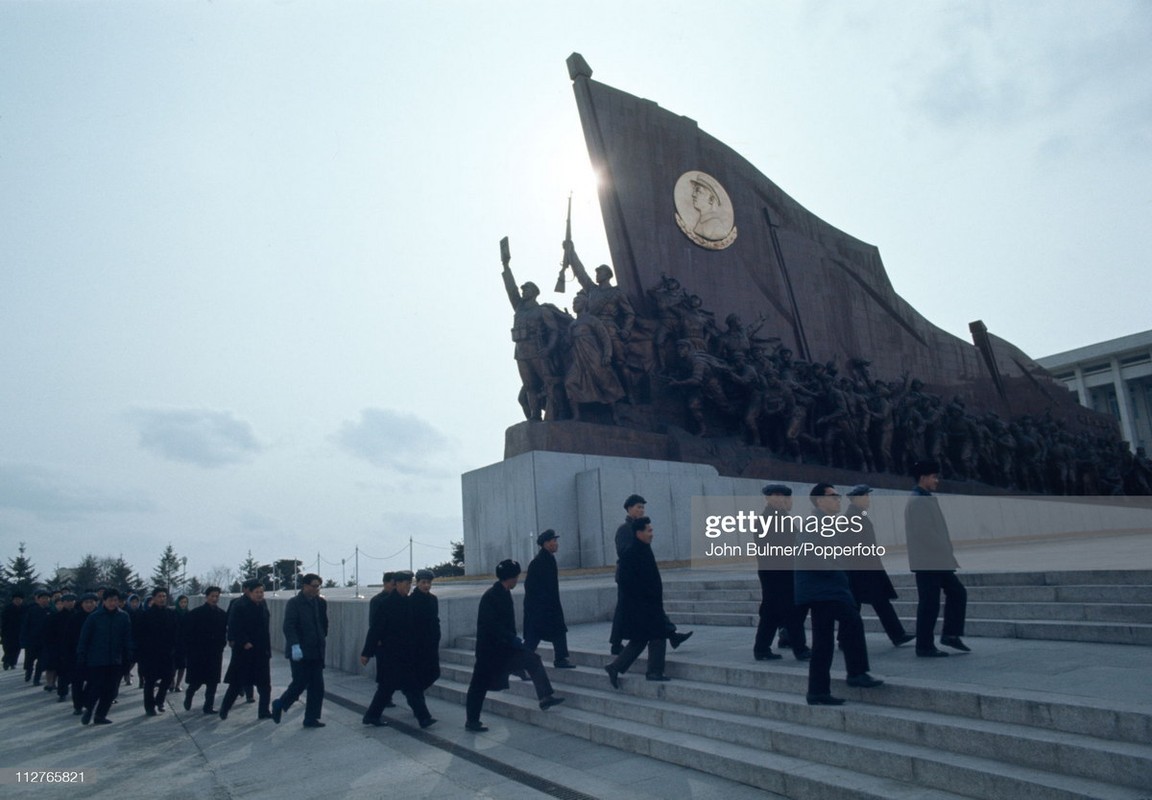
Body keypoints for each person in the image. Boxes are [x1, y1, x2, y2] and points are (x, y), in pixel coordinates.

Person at [795, 483, 884, 705]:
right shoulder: (815, 522)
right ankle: (856, 673)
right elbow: (811, 555)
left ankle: (817, 691)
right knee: (852, 623)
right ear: (819, 501)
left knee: (823, 641)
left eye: (837, 496)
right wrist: (836, 569)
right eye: (833, 496)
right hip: (825, 589)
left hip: (823, 589)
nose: (838, 499)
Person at [464, 559, 564, 732]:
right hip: (490, 651)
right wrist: (511, 638)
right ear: (510, 578)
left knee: (532, 659)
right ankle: (472, 721)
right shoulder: (491, 596)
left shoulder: (503, 592)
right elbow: (490, 626)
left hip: (505, 649)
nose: (518, 580)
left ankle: (545, 697)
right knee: (478, 686)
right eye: (516, 577)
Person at [604, 517, 692, 688]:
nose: (652, 534)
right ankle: (654, 671)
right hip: (643, 605)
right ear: (639, 533)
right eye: (649, 531)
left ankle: (615, 667)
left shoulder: (643, 548)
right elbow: (625, 580)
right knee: (658, 635)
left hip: (648, 604)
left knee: (640, 639)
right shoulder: (632, 553)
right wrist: (641, 600)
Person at [905, 460, 969, 657]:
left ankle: (950, 634)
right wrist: (944, 550)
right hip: (929, 561)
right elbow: (924, 532)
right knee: (929, 603)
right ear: (923, 477)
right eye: (934, 476)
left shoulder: (923, 498)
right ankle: (924, 645)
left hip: (935, 560)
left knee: (956, 593)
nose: (937, 480)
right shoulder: (918, 500)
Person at [360, 572, 435, 729]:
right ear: (397, 584)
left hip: (407, 654)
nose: (409, 587)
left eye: (410, 583)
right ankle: (372, 716)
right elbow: (375, 630)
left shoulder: (409, 603)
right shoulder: (385, 603)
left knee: (410, 687)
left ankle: (424, 718)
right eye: (406, 583)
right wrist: (367, 652)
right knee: (387, 688)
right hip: (390, 654)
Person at [844, 485, 914, 646]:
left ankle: (845, 638)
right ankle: (897, 634)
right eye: (865, 496)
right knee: (877, 603)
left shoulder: (857, 515)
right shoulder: (852, 517)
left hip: (864, 570)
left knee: (862, 604)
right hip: (863, 570)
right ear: (857, 499)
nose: (868, 500)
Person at [753, 484, 811, 662]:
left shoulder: (781, 517)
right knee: (791, 611)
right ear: (768, 498)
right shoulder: (767, 519)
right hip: (777, 573)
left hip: (779, 572)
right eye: (775, 496)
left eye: (782, 496)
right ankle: (800, 649)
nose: (780, 499)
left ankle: (762, 649)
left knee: (772, 613)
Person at [271, 574, 329, 728]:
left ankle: (311, 718)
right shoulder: (295, 603)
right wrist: (295, 645)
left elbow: (324, 623)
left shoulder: (320, 602)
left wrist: (321, 637)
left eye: (318, 586)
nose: (316, 589)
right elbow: (289, 626)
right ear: (305, 586)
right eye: (313, 586)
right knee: (300, 683)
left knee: (317, 686)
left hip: (316, 650)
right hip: (301, 652)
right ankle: (280, 704)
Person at [76, 587, 134, 725]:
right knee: (96, 688)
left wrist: (129, 654)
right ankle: (89, 710)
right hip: (97, 660)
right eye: (110, 600)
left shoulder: (123, 616)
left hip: (115, 660)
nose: (113, 603)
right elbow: (84, 638)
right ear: (104, 601)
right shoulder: (94, 617)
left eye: (115, 600)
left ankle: (100, 715)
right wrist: (82, 655)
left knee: (111, 690)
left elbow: (127, 638)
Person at [219, 579, 273, 721]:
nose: (260, 595)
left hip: (261, 650)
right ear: (249, 592)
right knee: (237, 683)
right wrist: (244, 642)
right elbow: (234, 626)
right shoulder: (239, 605)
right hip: (245, 651)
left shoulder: (263, 604)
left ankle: (264, 711)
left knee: (265, 685)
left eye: (262, 592)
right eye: (257, 592)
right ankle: (224, 708)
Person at [523, 529, 574, 669]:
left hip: (548, 606)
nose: (556, 543)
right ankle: (518, 663)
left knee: (557, 631)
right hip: (541, 608)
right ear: (546, 543)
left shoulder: (549, 559)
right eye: (553, 541)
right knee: (534, 637)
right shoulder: (538, 562)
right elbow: (531, 587)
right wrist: (541, 605)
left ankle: (561, 658)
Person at [610, 494, 648, 655]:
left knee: (626, 609)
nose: (641, 510)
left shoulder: (640, 528)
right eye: (638, 507)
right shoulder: (625, 529)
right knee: (623, 609)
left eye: (642, 507)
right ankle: (616, 643)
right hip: (628, 577)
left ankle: (671, 634)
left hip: (637, 576)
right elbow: (623, 552)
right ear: (629, 509)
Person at [182, 586, 228, 714]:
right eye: (212, 596)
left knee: (212, 682)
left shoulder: (222, 614)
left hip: (215, 652)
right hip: (199, 652)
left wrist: (221, 645)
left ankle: (208, 706)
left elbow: (223, 632)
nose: (214, 599)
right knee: (196, 681)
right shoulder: (196, 613)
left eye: (217, 596)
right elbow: (188, 633)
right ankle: (189, 694)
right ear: (207, 597)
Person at [134, 586, 179, 716]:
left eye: (164, 596)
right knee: (150, 681)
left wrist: (175, 648)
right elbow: (139, 635)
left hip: (167, 653)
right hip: (150, 654)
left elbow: (176, 632)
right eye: (159, 596)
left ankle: (160, 700)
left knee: (168, 677)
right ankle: (149, 706)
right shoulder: (145, 615)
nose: (162, 599)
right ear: (153, 598)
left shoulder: (171, 613)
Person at [64, 593, 98, 714]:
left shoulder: (99, 617)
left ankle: (87, 701)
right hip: (76, 655)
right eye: (86, 602)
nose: (89, 605)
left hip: (95, 655)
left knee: (93, 681)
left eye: (92, 602)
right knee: (77, 682)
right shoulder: (75, 618)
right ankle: (77, 705)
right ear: (82, 604)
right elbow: (68, 638)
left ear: (96, 603)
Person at [20, 588, 52, 685]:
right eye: (42, 598)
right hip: (32, 640)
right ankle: (28, 672)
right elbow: (25, 626)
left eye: (47, 598)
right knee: (30, 659)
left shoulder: (50, 611)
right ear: (38, 600)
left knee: (41, 661)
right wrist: (24, 639)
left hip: (44, 641)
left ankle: (36, 679)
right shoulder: (31, 611)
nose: (45, 600)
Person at [1, 591, 26, 670]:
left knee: (17, 649)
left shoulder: (24, 609)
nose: (18, 601)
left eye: (19, 599)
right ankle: (6, 661)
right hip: (8, 632)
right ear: (13, 600)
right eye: (16, 599)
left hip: (19, 632)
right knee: (8, 648)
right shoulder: (7, 608)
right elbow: (3, 620)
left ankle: (13, 663)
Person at [172, 593, 189, 692]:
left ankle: (178, 683)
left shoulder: (188, 614)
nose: (183, 604)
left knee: (182, 666)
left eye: (185, 602)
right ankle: (172, 682)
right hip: (174, 643)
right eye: (182, 602)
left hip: (184, 643)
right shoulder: (173, 613)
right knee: (173, 666)